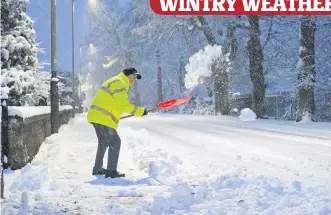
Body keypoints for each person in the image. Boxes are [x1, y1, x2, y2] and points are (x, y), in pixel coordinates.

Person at [87, 68, 148, 178]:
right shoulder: (120, 82)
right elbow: (123, 105)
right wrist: (140, 111)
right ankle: (111, 171)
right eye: (133, 76)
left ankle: (98, 169)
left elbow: (115, 104)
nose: (134, 80)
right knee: (115, 142)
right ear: (127, 75)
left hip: (99, 116)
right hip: (102, 117)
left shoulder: (117, 81)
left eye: (136, 78)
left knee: (104, 142)